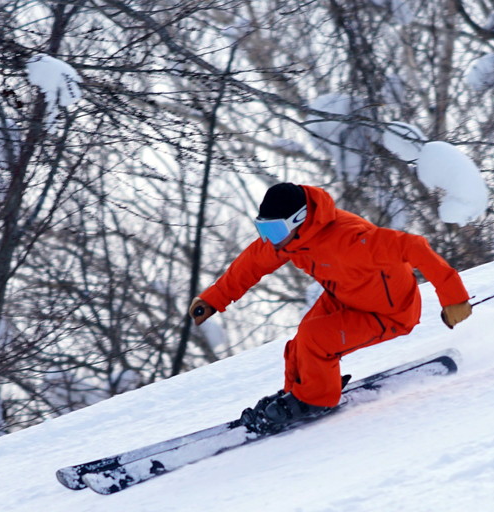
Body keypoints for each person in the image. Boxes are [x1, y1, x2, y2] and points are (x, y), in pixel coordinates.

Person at [188, 182, 472, 433]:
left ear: (300, 219)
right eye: (263, 228)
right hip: (346, 296)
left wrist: (454, 298)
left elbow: (415, 247)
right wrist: (214, 299)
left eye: (274, 229)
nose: (269, 238)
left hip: (388, 312)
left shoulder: (350, 239)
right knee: (300, 345)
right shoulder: (289, 240)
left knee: (316, 337)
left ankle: (315, 399)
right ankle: (296, 395)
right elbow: (252, 262)